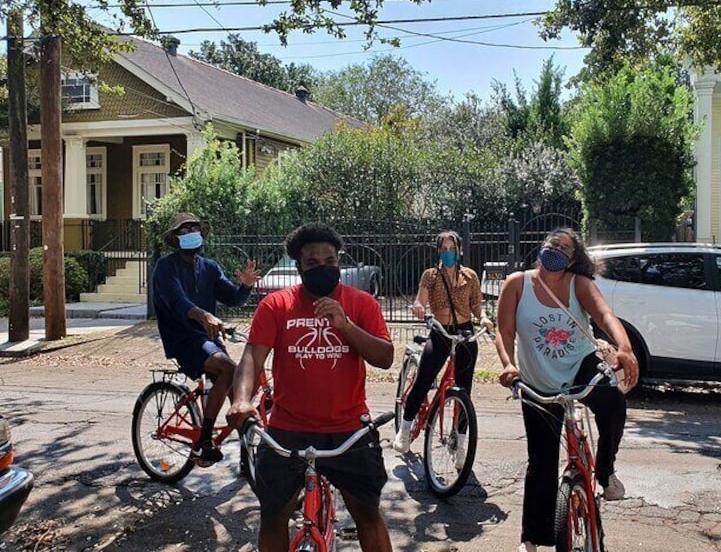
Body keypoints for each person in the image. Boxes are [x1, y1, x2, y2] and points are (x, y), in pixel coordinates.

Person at [226, 223, 394, 552]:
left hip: (349, 430)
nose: (323, 267)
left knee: (367, 513)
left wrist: (345, 325)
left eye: (330, 261)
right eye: (313, 262)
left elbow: (385, 357)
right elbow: (252, 357)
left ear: (339, 264)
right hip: (287, 429)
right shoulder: (276, 306)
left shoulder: (361, 303)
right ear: (299, 266)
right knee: (273, 516)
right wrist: (241, 399)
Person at [495, 227, 639, 552]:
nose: (555, 249)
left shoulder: (579, 285)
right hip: (536, 381)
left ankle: (605, 471)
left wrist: (624, 347)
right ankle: (532, 538)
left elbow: (604, 315)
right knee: (541, 463)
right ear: (542, 247)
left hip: (580, 369)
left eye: (564, 248)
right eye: (552, 243)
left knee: (613, 404)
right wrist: (507, 364)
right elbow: (504, 331)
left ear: (573, 260)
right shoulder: (517, 284)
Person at [152, 212, 259, 466]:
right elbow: (177, 301)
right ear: (176, 239)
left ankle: (248, 459)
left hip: (208, 339)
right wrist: (204, 316)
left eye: (195, 229)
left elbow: (232, 298)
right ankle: (203, 441)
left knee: (239, 392)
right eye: (185, 230)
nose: (192, 233)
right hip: (182, 339)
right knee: (228, 368)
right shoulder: (165, 267)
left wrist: (245, 286)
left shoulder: (209, 267)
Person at [393, 230, 493, 460]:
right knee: (424, 379)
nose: (448, 253)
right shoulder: (431, 275)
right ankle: (405, 428)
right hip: (440, 332)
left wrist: (484, 318)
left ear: (460, 250)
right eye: (444, 249)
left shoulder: (470, 276)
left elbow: (476, 305)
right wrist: (418, 307)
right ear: (439, 251)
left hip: (464, 332)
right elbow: (421, 299)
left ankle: (460, 441)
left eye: (452, 248)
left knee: (464, 391)